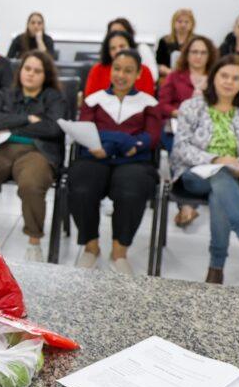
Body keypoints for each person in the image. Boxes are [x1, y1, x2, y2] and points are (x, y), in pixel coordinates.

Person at [170, 55, 239, 285]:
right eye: (224, 75)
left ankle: (216, 269)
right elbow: (181, 148)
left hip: (236, 176)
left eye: (236, 78)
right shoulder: (192, 106)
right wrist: (216, 159)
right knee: (221, 174)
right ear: (213, 77)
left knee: (220, 193)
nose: (229, 82)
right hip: (194, 173)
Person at [0, 51, 66, 262]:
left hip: (37, 151)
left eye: (37, 71)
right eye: (27, 69)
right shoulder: (7, 94)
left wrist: (11, 126)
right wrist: (27, 119)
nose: (31, 74)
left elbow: (53, 128)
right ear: (20, 71)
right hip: (0, 148)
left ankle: (34, 243)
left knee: (31, 184)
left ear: (46, 75)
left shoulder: (54, 98)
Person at [68, 49, 161, 275]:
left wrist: (111, 141)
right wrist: (125, 141)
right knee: (81, 186)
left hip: (133, 162)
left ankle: (119, 252)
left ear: (138, 74)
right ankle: (91, 247)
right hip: (95, 156)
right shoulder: (94, 99)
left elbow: (152, 137)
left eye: (128, 71)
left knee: (132, 190)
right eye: (117, 69)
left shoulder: (148, 102)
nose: (121, 75)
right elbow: (85, 129)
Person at [157, 35, 218, 227]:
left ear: (210, 55)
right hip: (177, 126)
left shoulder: (218, 77)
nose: (198, 56)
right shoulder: (176, 76)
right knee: (179, 151)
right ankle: (186, 205)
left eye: (203, 52)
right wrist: (180, 113)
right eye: (194, 52)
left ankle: (192, 199)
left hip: (209, 129)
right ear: (187, 54)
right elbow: (162, 104)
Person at [82, 30, 156, 98]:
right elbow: (90, 100)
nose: (118, 51)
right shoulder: (97, 70)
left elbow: (148, 101)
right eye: (113, 48)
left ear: (131, 46)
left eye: (122, 46)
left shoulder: (144, 70)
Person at [106, 16, 159, 81]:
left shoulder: (142, 49)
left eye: (121, 31)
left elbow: (153, 76)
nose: (117, 34)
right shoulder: (103, 65)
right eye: (113, 32)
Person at [156, 8, 196, 77]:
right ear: (173, 23)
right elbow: (158, 64)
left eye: (186, 22)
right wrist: (168, 71)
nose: (183, 25)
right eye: (179, 21)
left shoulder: (197, 41)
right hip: (169, 76)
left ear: (192, 24)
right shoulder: (164, 41)